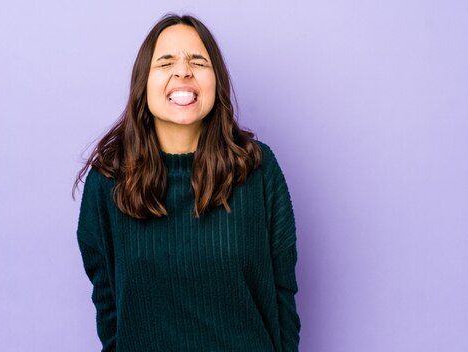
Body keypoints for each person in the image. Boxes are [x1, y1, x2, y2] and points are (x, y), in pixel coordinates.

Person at [73, 13, 300, 352]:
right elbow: (108, 305)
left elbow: (283, 295)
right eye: (165, 63)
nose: (182, 71)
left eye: (198, 61)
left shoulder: (258, 169)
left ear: (216, 81)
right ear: (142, 84)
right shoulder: (109, 180)